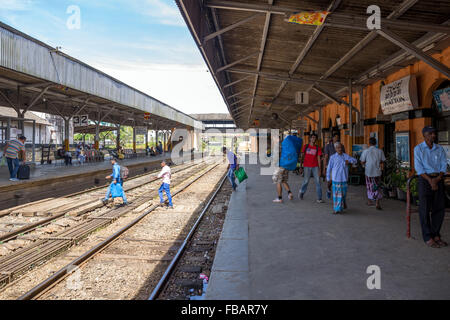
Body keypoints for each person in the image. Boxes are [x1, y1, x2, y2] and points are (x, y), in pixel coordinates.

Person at [414, 126, 448, 248]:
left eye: (434, 133)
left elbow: (444, 164)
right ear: (424, 135)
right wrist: (430, 181)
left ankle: (436, 235)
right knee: (424, 209)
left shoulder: (439, 149)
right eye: (430, 133)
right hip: (424, 180)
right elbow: (419, 168)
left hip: (438, 179)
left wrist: (437, 179)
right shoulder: (418, 149)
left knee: (439, 208)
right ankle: (428, 237)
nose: (433, 135)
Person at [326, 142, 357, 214]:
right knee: (336, 195)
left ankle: (343, 204)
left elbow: (355, 160)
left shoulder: (345, 156)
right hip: (336, 179)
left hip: (344, 179)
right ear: (335, 149)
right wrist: (328, 178)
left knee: (343, 194)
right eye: (338, 148)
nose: (340, 149)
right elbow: (329, 169)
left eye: (340, 147)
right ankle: (336, 209)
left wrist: (349, 161)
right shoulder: (332, 157)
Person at [273, 132, 303, 203]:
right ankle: (290, 193)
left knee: (278, 181)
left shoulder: (279, 145)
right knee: (284, 180)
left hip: (281, 165)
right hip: (287, 165)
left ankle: (279, 198)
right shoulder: (286, 143)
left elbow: (277, 155)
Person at [360, 137, 386, 210]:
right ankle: (377, 203)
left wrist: (366, 162)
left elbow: (362, 161)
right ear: (376, 143)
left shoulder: (366, 151)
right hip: (377, 172)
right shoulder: (380, 151)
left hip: (368, 171)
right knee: (377, 186)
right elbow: (383, 160)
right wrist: (377, 162)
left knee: (369, 186)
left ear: (369, 143)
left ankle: (370, 201)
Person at [299, 134, 324, 203]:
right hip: (306, 166)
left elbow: (319, 158)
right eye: (312, 137)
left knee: (318, 181)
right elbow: (302, 157)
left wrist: (320, 169)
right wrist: (300, 166)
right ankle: (302, 192)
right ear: (310, 139)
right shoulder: (306, 146)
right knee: (306, 181)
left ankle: (319, 198)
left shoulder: (317, 148)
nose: (313, 139)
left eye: (315, 138)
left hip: (315, 166)